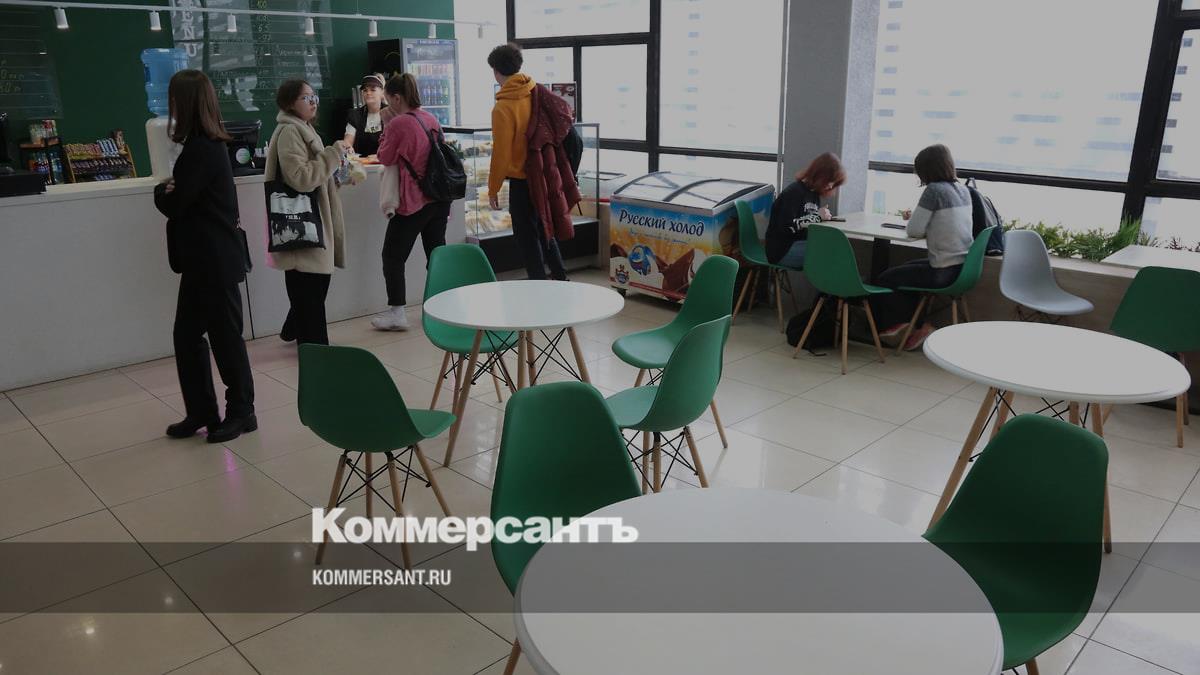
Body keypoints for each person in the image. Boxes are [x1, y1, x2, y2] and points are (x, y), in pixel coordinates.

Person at [153, 69, 256, 443]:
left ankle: (242, 411)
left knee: (225, 339)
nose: (171, 107)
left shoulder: (202, 148)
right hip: (203, 261)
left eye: (174, 100)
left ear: (184, 103)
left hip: (214, 261)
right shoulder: (203, 145)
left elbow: (176, 202)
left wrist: (160, 193)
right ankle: (202, 410)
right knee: (187, 337)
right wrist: (171, 190)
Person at [267, 79, 350, 345]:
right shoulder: (290, 132)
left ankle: (294, 330)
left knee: (311, 295)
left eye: (314, 97)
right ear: (290, 103)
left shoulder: (304, 128)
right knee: (310, 299)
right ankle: (317, 354)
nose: (313, 102)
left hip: (312, 227)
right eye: (306, 98)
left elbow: (316, 175)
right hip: (303, 228)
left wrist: (338, 174)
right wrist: (332, 155)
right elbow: (300, 179)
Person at [869, 144, 974, 351]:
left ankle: (898, 327)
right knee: (905, 270)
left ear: (926, 170)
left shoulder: (934, 190)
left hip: (941, 270)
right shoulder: (963, 190)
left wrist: (918, 221)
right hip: (962, 269)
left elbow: (914, 230)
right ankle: (916, 326)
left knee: (886, 278)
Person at [371, 73, 450, 331]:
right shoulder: (430, 118)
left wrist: (387, 126)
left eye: (388, 99)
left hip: (413, 200)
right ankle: (442, 307)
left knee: (392, 256)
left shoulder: (398, 123)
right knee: (436, 255)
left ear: (396, 97)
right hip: (439, 198)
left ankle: (397, 313)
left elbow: (385, 156)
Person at [487, 42, 570, 281]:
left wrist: (493, 188)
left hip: (522, 181)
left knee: (526, 236)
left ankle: (538, 282)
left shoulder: (503, 108)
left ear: (496, 71)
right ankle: (560, 277)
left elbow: (501, 153)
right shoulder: (535, 91)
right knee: (545, 227)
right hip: (544, 173)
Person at [766, 152, 846, 268]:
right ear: (820, 174)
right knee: (830, 253)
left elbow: (807, 226)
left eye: (834, 183)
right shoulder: (794, 192)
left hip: (796, 245)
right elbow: (786, 227)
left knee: (834, 248)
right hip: (781, 251)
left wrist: (822, 219)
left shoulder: (814, 195)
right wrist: (817, 217)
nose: (831, 186)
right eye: (830, 181)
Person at [343, 73, 387, 156]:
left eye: (373, 90)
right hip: (361, 162)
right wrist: (348, 148)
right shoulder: (355, 115)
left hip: (386, 161)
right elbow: (348, 140)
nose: (368, 93)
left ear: (382, 92)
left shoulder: (391, 113)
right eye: (365, 90)